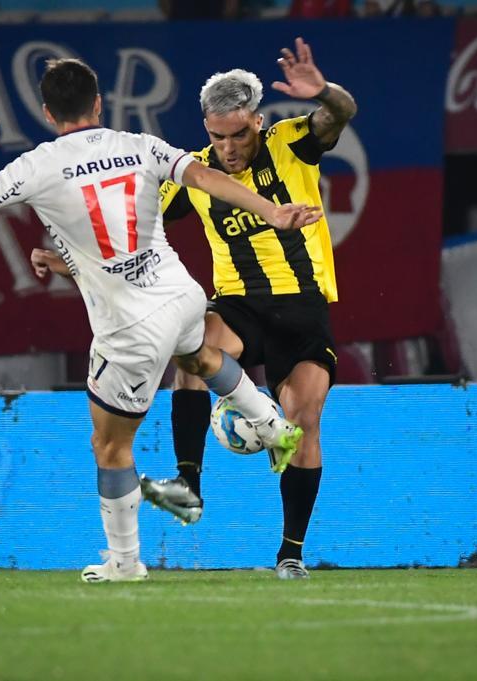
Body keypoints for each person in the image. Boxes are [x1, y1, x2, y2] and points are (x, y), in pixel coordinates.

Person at [0, 58, 315, 583]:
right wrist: (273, 212)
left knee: (110, 445)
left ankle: (125, 564)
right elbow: (208, 176)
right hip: (183, 296)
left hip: (129, 329)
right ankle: (273, 425)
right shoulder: (142, 145)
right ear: (99, 103)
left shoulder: (36, 166)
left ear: (48, 112)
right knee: (201, 355)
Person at [140, 38, 357, 580]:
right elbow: (136, 229)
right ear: (207, 129)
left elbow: (341, 113)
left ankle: (290, 554)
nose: (229, 147)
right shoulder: (196, 174)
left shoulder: (293, 144)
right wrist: (69, 257)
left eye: (239, 134)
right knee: (192, 354)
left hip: (304, 314)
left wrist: (324, 92)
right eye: (218, 136)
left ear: (258, 122)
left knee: (305, 421)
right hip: (239, 307)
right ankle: (188, 485)